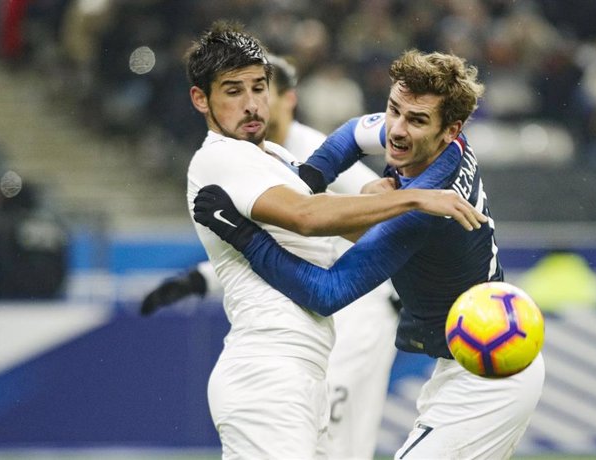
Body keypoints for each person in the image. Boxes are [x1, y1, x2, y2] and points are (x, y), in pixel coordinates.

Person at [193, 49, 546, 459]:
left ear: (452, 130)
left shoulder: (424, 209)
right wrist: (309, 180)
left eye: (415, 121)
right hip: (468, 363)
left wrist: (244, 237)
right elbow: (353, 133)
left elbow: (327, 292)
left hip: (490, 376)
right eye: (393, 110)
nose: (396, 129)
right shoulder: (431, 140)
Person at [142, 54, 399, 460]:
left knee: (344, 441)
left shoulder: (305, 153)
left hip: (364, 308)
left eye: (261, 90)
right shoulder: (239, 159)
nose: (253, 104)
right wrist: (200, 279)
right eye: (235, 91)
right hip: (290, 348)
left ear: (287, 99)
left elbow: (365, 219)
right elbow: (286, 235)